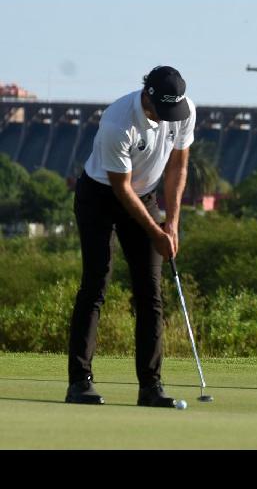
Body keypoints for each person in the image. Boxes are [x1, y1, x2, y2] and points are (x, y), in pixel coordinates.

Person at [65, 65, 195, 408]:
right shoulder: (118, 122)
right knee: (96, 283)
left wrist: (172, 224)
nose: (169, 118)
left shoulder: (183, 111)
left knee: (151, 292)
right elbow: (121, 189)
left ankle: (150, 387)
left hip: (147, 196)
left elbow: (179, 166)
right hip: (101, 197)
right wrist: (154, 231)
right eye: (163, 109)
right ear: (147, 95)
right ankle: (80, 382)